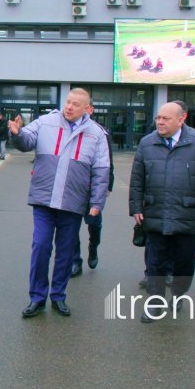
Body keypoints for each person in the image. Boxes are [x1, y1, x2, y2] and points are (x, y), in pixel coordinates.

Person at [9, 88, 110, 318]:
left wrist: (97, 202)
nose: (69, 107)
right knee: (41, 246)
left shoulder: (96, 133)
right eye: (68, 102)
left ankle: (58, 295)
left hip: (73, 201)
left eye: (76, 104)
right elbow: (26, 141)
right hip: (44, 198)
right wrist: (17, 133)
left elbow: (101, 169)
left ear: (87, 109)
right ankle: (37, 297)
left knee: (65, 252)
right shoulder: (46, 122)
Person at [129, 101, 195, 323]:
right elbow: (137, 179)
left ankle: (179, 293)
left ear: (181, 119)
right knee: (155, 262)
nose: (160, 122)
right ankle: (155, 303)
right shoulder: (147, 143)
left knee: (185, 261)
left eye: (165, 118)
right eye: (158, 118)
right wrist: (136, 207)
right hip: (155, 211)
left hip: (185, 213)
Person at [71, 103, 114, 277]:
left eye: (86, 107)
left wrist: (107, 186)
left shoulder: (100, 132)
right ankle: (75, 261)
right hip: (72, 189)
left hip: (92, 188)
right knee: (71, 227)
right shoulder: (69, 130)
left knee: (94, 225)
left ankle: (93, 247)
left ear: (91, 110)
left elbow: (108, 162)